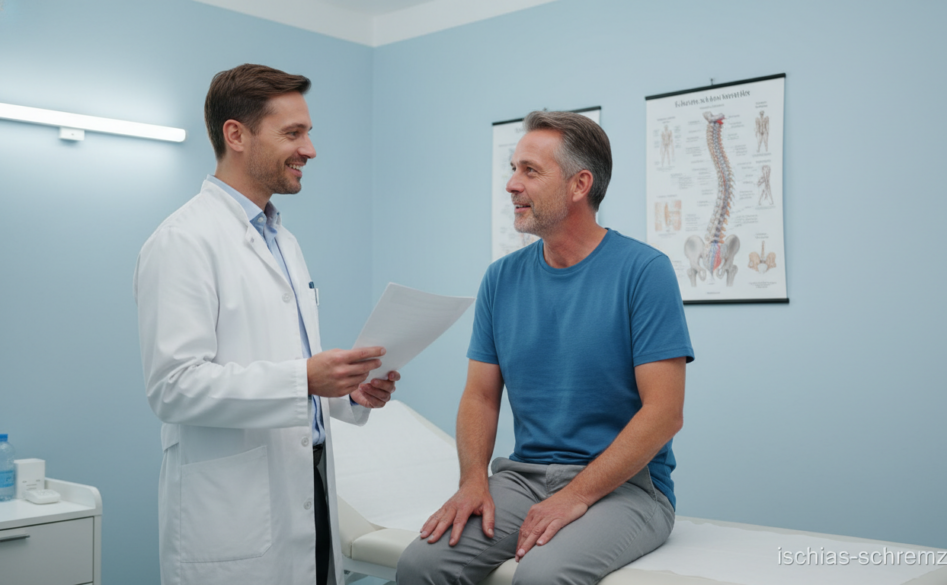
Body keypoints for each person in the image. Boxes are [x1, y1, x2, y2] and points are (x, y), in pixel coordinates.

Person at [396, 111, 694, 585]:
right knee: (419, 566)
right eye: (513, 169)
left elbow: (664, 413)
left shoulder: (644, 271)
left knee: (540, 577)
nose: (511, 185)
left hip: (628, 487)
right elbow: (480, 396)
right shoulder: (501, 278)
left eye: (530, 171)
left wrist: (577, 493)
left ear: (580, 185)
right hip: (521, 478)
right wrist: (472, 481)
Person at [134, 64, 399, 585]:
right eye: (293, 134)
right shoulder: (182, 241)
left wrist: (346, 391)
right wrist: (304, 378)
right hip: (232, 514)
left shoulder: (284, 241)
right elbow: (173, 387)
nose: (310, 149)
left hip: (310, 485)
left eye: (308, 133)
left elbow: (284, 362)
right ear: (236, 134)